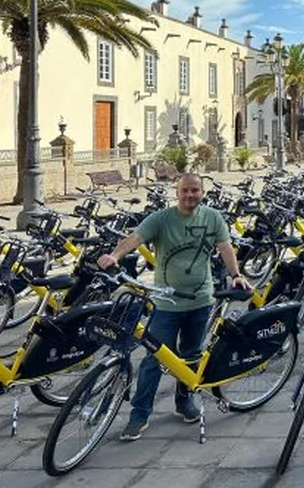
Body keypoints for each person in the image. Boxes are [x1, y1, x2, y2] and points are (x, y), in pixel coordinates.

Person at [97, 173, 251, 442]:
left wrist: (236, 274)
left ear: (202, 192)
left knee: (191, 355)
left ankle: (184, 402)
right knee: (154, 360)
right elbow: (135, 238)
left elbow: (225, 247)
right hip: (166, 303)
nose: (190, 195)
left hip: (201, 300)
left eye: (195, 191)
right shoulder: (162, 219)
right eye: (185, 191)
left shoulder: (212, 217)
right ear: (176, 192)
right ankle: (139, 415)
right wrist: (115, 255)